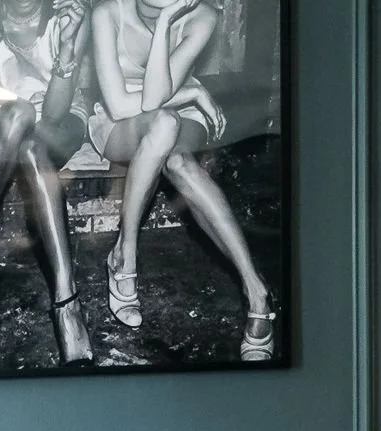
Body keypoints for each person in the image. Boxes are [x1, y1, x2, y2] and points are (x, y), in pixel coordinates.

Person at [89, 0, 276, 362]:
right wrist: (192, 90)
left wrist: (165, 22)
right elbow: (120, 105)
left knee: (176, 153)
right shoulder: (106, 13)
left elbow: (157, 97)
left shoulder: (203, 16)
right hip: (120, 122)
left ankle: (257, 291)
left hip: (179, 110)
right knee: (163, 123)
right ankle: (125, 253)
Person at [0, 0, 96, 364]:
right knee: (22, 127)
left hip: (61, 121)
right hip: (5, 124)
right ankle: (67, 304)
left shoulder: (70, 16)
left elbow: (56, 114)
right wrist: (2, 104)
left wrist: (67, 45)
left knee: (30, 124)